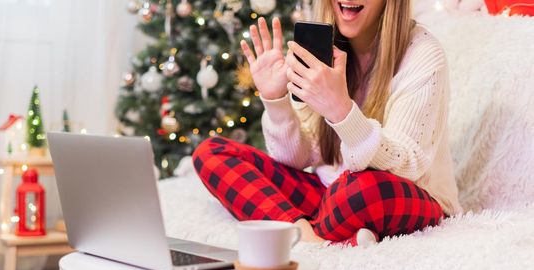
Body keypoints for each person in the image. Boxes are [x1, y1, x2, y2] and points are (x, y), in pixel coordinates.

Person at [192, 0, 462, 246]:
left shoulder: (423, 54)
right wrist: (276, 100)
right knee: (212, 153)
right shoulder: (320, 49)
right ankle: (312, 238)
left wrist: (341, 112)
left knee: (362, 189)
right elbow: (298, 158)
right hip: (331, 197)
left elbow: (406, 166)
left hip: (402, 197)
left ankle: (315, 232)